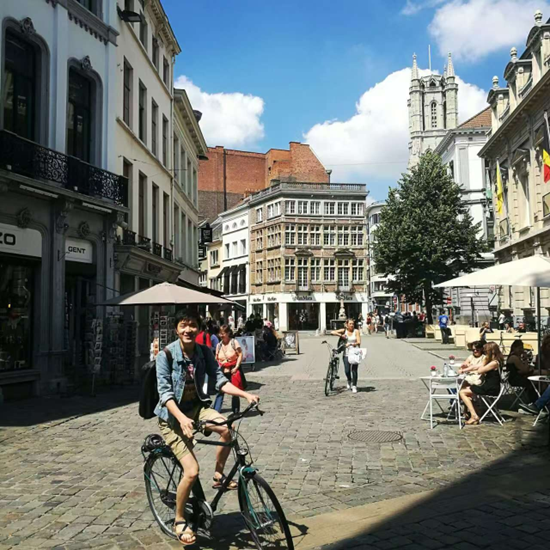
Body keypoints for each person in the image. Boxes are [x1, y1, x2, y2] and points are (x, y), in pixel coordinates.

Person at [155, 313, 259, 545]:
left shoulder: (203, 352)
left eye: (192, 325)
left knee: (226, 428)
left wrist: (245, 394)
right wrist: (182, 419)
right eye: (183, 325)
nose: (188, 329)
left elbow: (220, 380)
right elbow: (165, 394)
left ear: (199, 329)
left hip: (197, 409)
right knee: (191, 472)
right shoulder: (166, 355)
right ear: (176, 329)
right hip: (172, 418)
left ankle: (218, 475)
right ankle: (180, 519)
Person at [459, 341, 503, 425]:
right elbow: (476, 367)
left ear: (491, 351)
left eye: (486, 351)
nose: (485, 353)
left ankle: (474, 415)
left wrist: (485, 360)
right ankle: (475, 411)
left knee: (462, 392)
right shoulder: (495, 361)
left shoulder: (494, 363)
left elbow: (480, 370)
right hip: (489, 386)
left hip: (490, 388)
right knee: (466, 389)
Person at [214, 325, 244, 415]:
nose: (221, 335)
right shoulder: (219, 345)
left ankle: (235, 411)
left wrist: (236, 367)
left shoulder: (234, 342)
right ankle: (216, 411)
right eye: (220, 333)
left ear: (228, 333)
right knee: (220, 390)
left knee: (235, 391)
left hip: (233, 370)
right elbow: (216, 358)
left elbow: (240, 354)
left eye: (223, 333)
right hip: (222, 371)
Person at [331, 318, 362, 393]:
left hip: (355, 353)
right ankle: (349, 380)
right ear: (347, 325)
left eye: (352, 324)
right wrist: (341, 335)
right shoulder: (344, 331)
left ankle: (354, 386)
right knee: (347, 370)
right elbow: (332, 332)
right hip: (346, 353)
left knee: (354, 370)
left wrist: (352, 344)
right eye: (350, 324)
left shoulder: (356, 331)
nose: (352, 325)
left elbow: (358, 342)